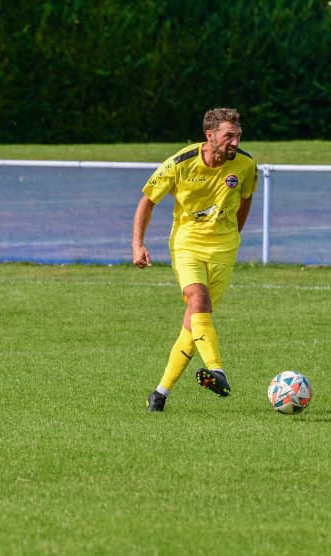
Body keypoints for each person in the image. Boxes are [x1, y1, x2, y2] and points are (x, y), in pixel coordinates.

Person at [132, 107, 258, 412]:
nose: (234, 142)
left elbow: (245, 199)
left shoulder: (245, 164)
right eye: (229, 136)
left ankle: (159, 394)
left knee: (194, 323)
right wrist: (137, 244)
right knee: (198, 300)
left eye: (238, 136)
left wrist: (233, 235)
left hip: (224, 250)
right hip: (187, 245)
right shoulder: (181, 163)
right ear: (209, 135)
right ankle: (217, 370)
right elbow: (147, 201)